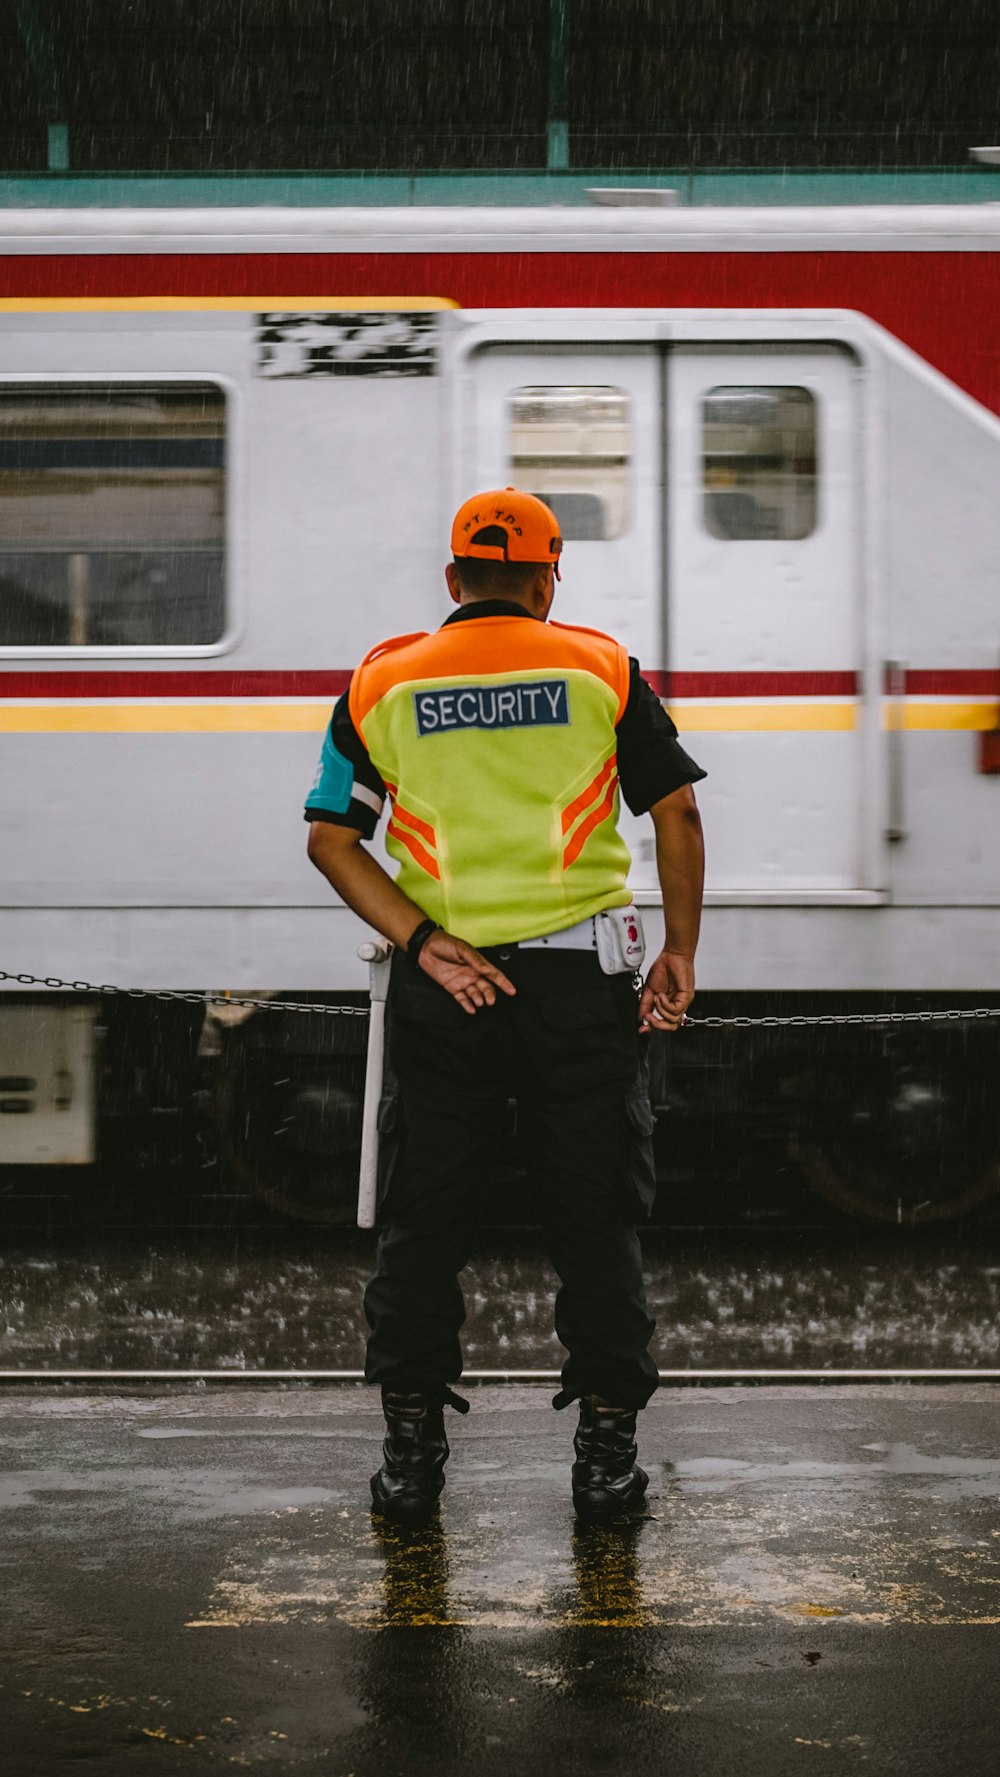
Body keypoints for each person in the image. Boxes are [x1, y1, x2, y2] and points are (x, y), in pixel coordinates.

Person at [305, 487, 706, 1527]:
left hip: (452, 992)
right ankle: (606, 1463)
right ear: (544, 580)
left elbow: (331, 838)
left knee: (423, 1223)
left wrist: (424, 942)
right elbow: (676, 809)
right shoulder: (598, 666)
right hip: (582, 990)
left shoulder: (382, 678)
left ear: (452, 581)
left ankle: (409, 1463)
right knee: (595, 1220)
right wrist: (679, 948)